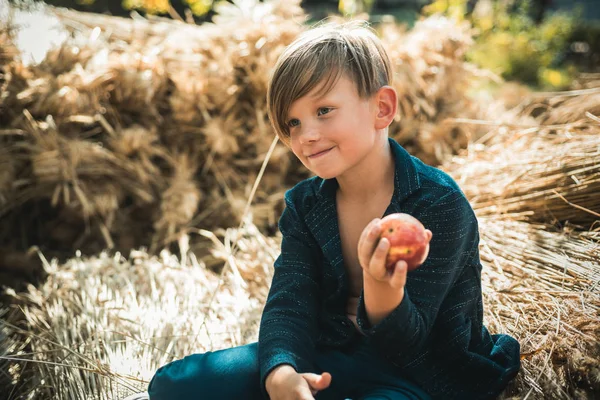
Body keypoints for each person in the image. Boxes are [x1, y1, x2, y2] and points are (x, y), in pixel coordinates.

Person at [143, 21, 521, 400]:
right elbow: (291, 299)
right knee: (172, 386)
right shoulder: (306, 205)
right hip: (327, 352)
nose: (306, 134)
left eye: (324, 110)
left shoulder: (437, 203)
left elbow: (409, 345)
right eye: (293, 122)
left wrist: (380, 287)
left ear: (382, 108)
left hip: (417, 373)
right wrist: (281, 372)